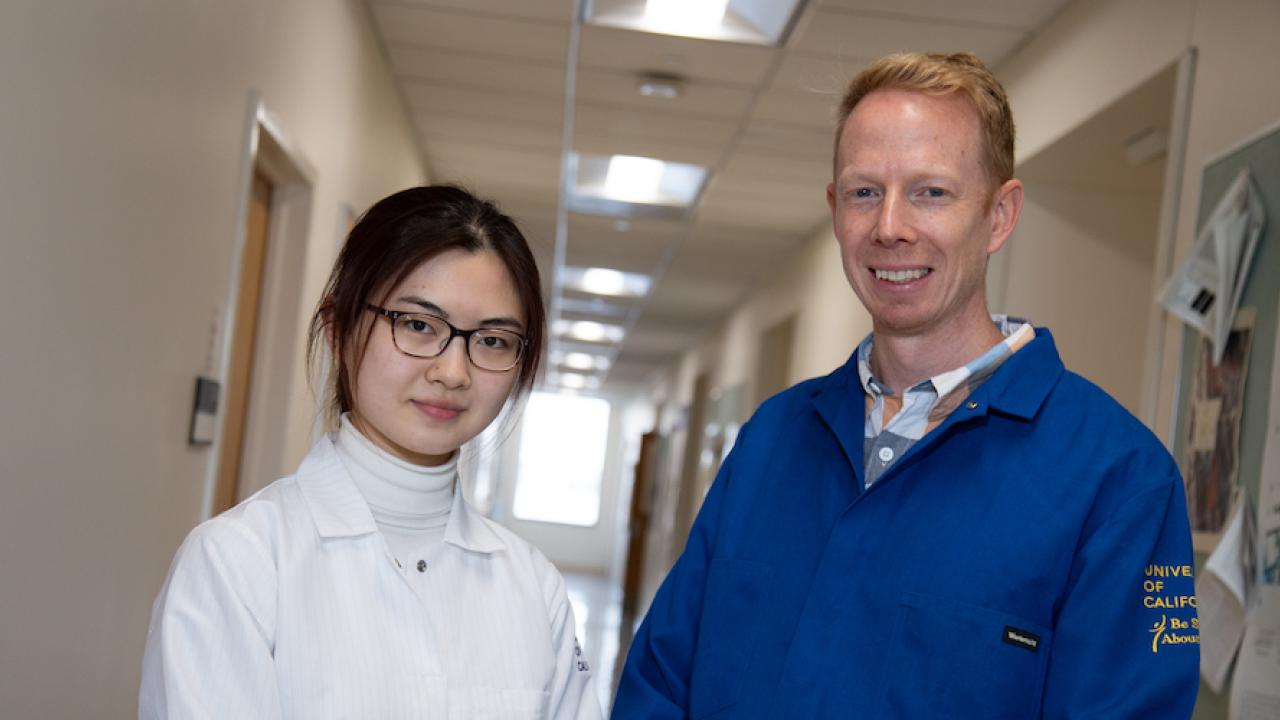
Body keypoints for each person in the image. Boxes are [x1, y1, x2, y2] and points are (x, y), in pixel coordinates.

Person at [613, 52, 1199, 718]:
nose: (890, 227)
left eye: (931, 192)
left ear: (999, 216)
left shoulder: (1118, 480)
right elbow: (659, 682)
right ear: (836, 211)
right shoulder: (774, 440)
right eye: (865, 192)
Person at [141, 185, 601, 719]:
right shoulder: (238, 561)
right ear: (339, 330)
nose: (453, 372)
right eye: (418, 325)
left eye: (493, 340)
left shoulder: (532, 585)